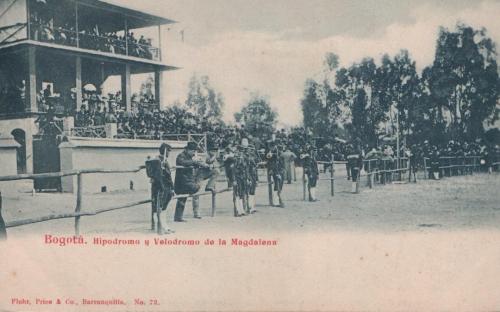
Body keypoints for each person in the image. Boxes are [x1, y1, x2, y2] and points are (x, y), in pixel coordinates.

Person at [173, 141, 209, 221]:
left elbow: (193, 163)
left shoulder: (189, 157)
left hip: (186, 182)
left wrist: (201, 164)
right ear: (187, 150)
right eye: (193, 151)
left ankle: (178, 217)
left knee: (182, 199)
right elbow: (182, 162)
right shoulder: (181, 156)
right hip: (182, 182)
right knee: (196, 188)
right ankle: (178, 217)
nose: (194, 153)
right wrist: (194, 162)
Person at [145, 143, 174, 234]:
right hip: (162, 186)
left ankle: (163, 226)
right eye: (168, 151)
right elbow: (162, 176)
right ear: (165, 151)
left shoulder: (159, 160)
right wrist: (165, 188)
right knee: (160, 207)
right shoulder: (159, 161)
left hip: (162, 186)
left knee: (161, 207)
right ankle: (161, 227)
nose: (169, 153)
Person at [266, 140, 285, 207]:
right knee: (277, 186)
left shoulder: (278, 152)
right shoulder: (270, 153)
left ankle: (278, 200)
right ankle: (276, 202)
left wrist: (282, 169)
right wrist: (272, 170)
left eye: (274, 146)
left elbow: (281, 161)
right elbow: (270, 163)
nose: (273, 148)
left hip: (280, 170)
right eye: (272, 147)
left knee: (280, 185)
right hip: (275, 171)